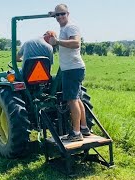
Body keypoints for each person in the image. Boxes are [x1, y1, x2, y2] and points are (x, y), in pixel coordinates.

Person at [48, 4, 91, 142]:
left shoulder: (71, 27)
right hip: (72, 68)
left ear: (68, 13)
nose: (60, 16)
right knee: (77, 99)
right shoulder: (63, 27)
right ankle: (84, 128)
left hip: (72, 69)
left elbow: (76, 43)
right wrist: (52, 14)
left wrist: (57, 41)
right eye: (57, 15)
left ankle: (76, 133)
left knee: (72, 100)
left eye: (62, 14)